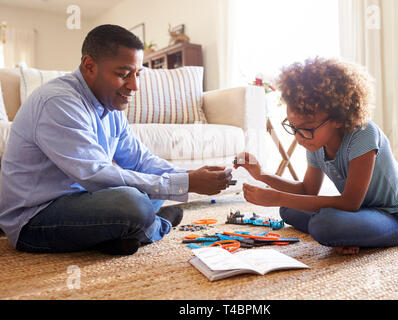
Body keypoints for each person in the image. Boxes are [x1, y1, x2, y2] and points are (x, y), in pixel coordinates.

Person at [0, 24, 232, 255]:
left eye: (138, 74)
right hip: (34, 220)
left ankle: (120, 235)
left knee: (154, 184)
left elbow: (140, 160)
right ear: (89, 66)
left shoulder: (110, 106)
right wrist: (184, 184)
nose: (134, 86)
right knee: (134, 203)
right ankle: (159, 225)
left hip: (84, 202)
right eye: (123, 74)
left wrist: (187, 176)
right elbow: (97, 176)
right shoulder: (58, 102)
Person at [234, 57, 398, 255]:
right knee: (288, 210)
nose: (299, 138)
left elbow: (350, 203)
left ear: (339, 118)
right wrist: (261, 174)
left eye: (306, 129)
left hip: (397, 216)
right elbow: (307, 189)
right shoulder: (315, 142)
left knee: (323, 224)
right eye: (293, 128)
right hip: (359, 212)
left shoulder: (364, 134)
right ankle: (348, 231)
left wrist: (279, 197)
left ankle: (344, 231)